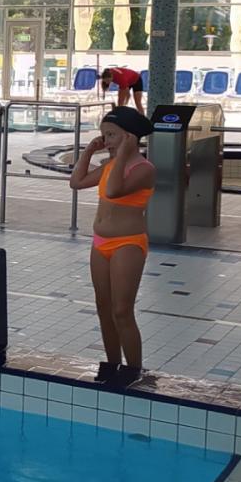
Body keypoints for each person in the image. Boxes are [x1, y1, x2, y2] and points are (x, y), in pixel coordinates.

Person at [69, 106, 156, 384]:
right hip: (100, 243)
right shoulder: (109, 165)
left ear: (130, 137)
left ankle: (134, 372)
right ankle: (112, 365)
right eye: (103, 135)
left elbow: (114, 190)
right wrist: (88, 152)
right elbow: (76, 182)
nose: (106, 141)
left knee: (122, 311)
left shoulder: (144, 169)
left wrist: (123, 155)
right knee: (103, 308)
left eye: (111, 135)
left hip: (127, 244)